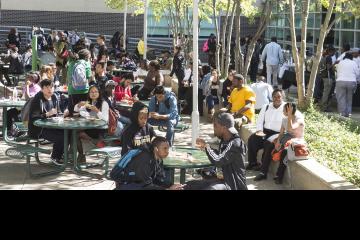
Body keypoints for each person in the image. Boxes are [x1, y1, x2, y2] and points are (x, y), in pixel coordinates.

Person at [186, 113, 247, 190]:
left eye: (215, 126)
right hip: (223, 180)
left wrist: (207, 147)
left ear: (224, 128)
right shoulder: (224, 140)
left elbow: (218, 160)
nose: (213, 128)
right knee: (189, 185)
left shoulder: (235, 143)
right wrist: (206, 148)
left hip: (233, 185)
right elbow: (222, 156)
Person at [113, 136, 184, 190]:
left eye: (168, 148)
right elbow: (146, 185)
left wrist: (170, 185)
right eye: (164, 148)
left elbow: (158, 178)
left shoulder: (158, 159)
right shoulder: (144, 159)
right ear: (156, 149)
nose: (167, 152)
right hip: (127, 184)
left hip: (140, 184)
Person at [246, 89, 286, 181]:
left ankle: (263, 172)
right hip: (265, 131)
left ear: (282, 97)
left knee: (268, 145)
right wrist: (259, 130)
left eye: (279, 96)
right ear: (272, 97)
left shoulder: (286, 107)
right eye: (274, 97)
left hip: (277, 134)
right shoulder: (267, 106)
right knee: (252, 139)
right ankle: (253, 163)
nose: (276, 99)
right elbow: (260, 120)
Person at [28, 79, 66, 165]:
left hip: (52, 126)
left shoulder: (54, 97)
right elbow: (34, 118)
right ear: (42, 89)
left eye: (51, 87)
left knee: (67, 133)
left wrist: (62, 116)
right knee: (60, 137)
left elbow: (58, 112)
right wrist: (47, 114)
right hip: (38, 129)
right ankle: (55, 157)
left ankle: (61, 155)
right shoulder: (37, 100)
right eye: (47, 87)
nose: (50, 89)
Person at [74, 85, 109, 163]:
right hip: (89, 126)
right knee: (73, 132)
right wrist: (79, 104)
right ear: (89, 94)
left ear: (99, 93)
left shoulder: (104, 103)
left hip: (100, 129)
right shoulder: (88, 103)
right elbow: (76, 109)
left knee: (76, 133)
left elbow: (106, 119)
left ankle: (82, 155)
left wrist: (97, 111)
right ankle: (79, 155)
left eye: (96, 92)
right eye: (91, 92)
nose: (93, 94)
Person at [272, 103, 305, 184]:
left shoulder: (299, 120)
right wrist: (278, 142)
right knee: (271, 145)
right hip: (287, 139)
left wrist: (290, 115)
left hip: (297, 142)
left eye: (284, 110)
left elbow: (290, 128)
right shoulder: (284, 119)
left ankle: (279, 176)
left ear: (289, 111)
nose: (283, 111)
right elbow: (281, 133)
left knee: (284, 152)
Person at [67, 49, 92, 116]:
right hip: (84, 91)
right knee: (83, 113)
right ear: (87, 57)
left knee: (72, 112)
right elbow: (89, 77)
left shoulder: (71, 62)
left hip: (72, 91)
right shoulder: (86, 63)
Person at [335, 53, 360, 117]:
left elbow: (337, 72)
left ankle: (342, 113)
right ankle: (348, 113)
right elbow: (357, 74)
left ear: (345, 57)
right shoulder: (354, 63)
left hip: (340, 81)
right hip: (351, 82)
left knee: (341, 98)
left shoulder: (340, 63)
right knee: (349, 98)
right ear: (351, 58)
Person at [320, 46, 336, 112]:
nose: (334, 53)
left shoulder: (324, 57)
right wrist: (335, 64)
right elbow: (328, 67)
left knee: (325, 92)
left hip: (324, 76)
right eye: (334, 52)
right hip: (328, 78)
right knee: (326, 93)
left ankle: (324, 106)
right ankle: (324, 107)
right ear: (330, 51)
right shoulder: (329, 57)